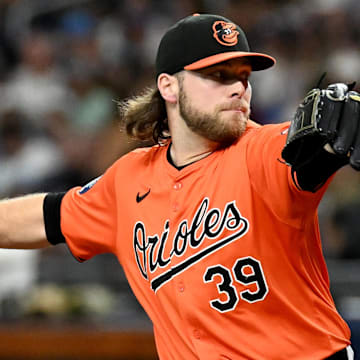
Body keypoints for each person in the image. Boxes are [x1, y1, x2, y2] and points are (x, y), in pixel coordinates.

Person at [0, 13, 358, 360]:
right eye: (218, 75)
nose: (239, 88)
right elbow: (47, 217)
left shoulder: (263, 150)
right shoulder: (129, 180)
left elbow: (306, 154)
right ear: (169, 86)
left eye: (244, 77)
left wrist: (330, 145)